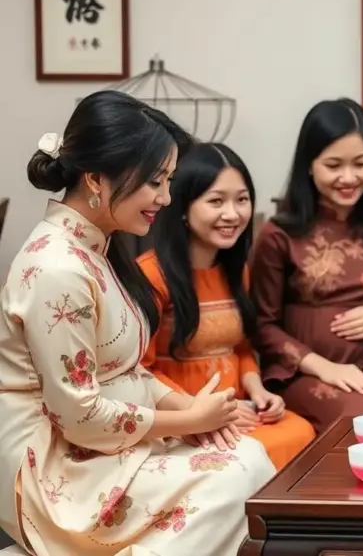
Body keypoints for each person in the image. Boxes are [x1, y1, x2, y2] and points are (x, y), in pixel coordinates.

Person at [0, 91, 275, 556]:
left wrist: (190, 413)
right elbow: (80, 415)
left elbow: (127, 370)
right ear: (95, 179)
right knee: (233, 482)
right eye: (155, 182)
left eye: (167, 181)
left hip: (100, 442)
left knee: (248, 459)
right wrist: (184, 419)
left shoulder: (95, 251)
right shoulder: (57, 269)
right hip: (57, 463)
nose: (165, 198)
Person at [250, 98, 363, 432]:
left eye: (360, 163)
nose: (349, 177)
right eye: (333, 165)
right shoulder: (279, 235)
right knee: (355, 419)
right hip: (306, 371)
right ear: (309, 165)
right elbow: (263, 326)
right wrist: (323, 367)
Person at [137, 142, 317, 470]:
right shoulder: (150, 275)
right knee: (248, 459)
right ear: (182, 207)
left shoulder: (236, 270)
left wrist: (258, 391)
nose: (233, 214)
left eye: (242, 199)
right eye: (216, 201)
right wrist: (198, 413)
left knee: (301, 433)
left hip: (238, 411)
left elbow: (243, 348)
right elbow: (141, 371)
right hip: (182, 420)